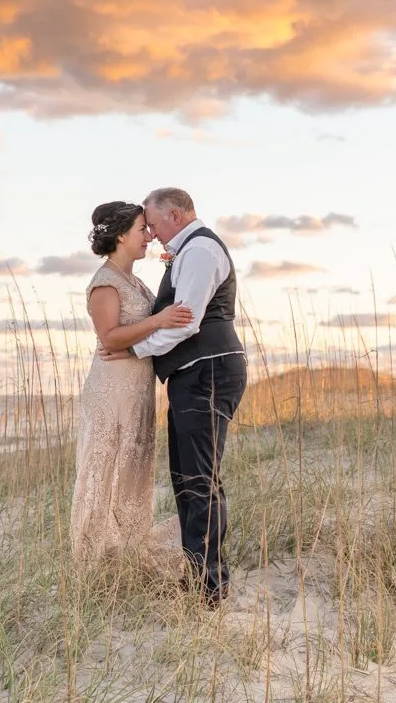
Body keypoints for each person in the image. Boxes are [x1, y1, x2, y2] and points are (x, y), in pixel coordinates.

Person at [107, 187, 246, 606]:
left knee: (200, 479)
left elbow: (186, 322)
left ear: (176, 215)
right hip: (195, 373)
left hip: (209, 371)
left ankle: (211, 587)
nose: (150, 232)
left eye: (152, 222)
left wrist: (133, 350)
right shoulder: (187, 251)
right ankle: (199, 573)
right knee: (186, 477)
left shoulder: (200, 250)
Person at [69, 201, 193, 563]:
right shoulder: (105, 283)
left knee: (133, 466)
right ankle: (96, 556)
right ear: (121, 235)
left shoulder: (134, 281)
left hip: (137, 386)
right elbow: (109, 338)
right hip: (112, 388)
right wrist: (159, 321)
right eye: (142, 229)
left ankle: (125, 546)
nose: (149, 236)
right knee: (107, 465)